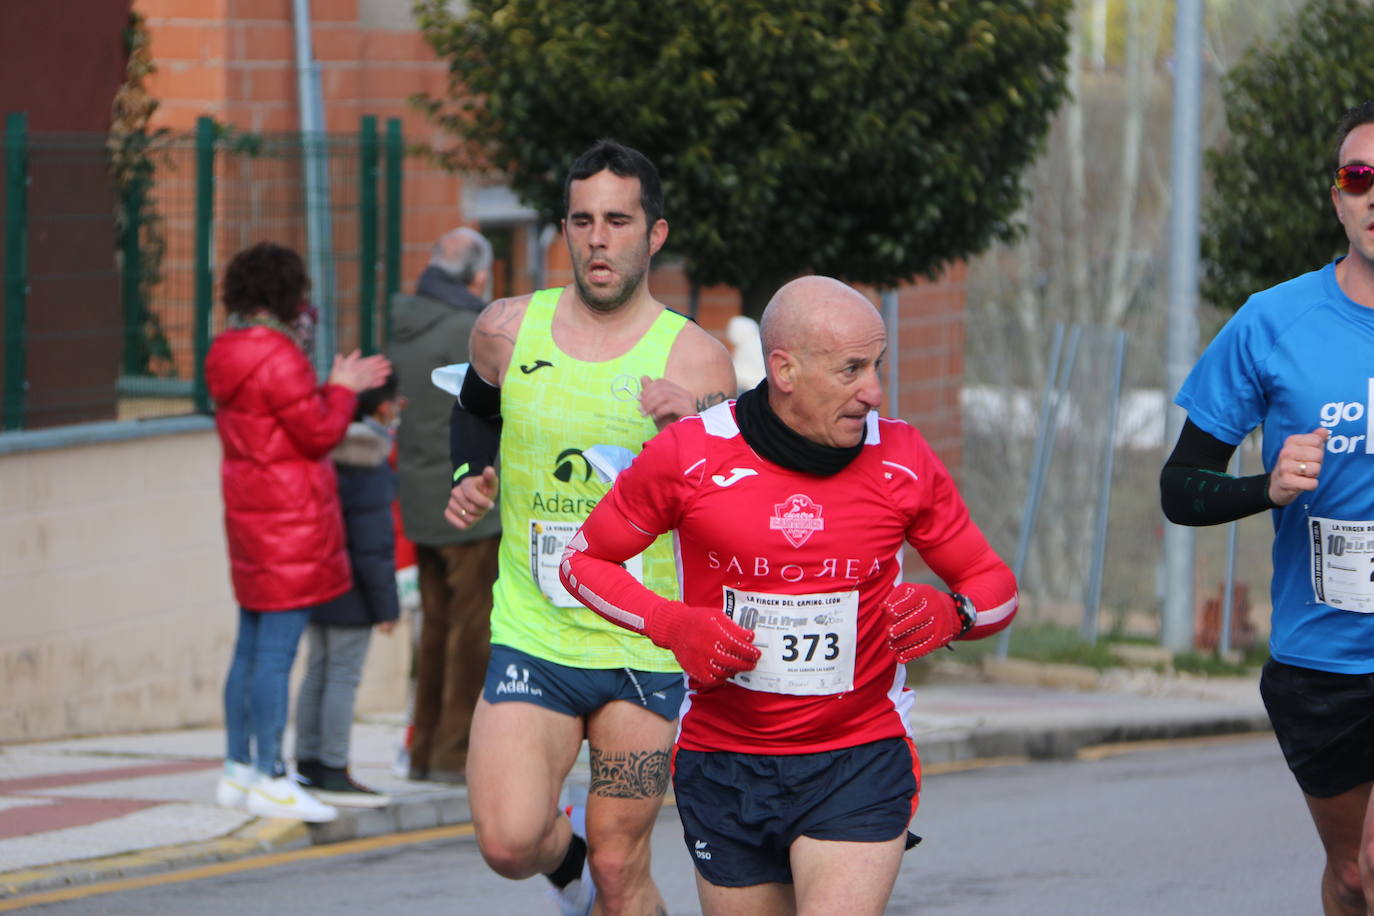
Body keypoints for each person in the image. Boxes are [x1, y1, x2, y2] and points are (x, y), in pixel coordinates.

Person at [559, 275, 1019, 916]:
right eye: (852, 369)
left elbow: (994, 585)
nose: (874, 391)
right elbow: (582, 562)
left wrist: (955, 611)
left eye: (877, 366)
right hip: (724, 761)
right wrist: (672, 624)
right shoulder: (691, 455)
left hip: (858, 754)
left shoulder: (903, 458)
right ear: (785, 370)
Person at [445, 139, 736, 915]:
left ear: (655, 233)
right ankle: (565, 868)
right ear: (563, 232)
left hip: (641, 647)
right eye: (582, 221)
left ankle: (598, 880)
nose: (598, 239)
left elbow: (732, 512)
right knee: (508, 841)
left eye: (617, 220)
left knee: (621, 863)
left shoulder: (700, 363)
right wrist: (467, 477)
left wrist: (696, 434)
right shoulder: (506, 330)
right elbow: (473, 411)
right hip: (535, 633)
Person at [1161, 101, 1374, 916]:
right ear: (1337, 198)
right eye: (1360, 177)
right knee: (1353, 876)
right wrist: (1268, 488)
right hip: (1320, 660)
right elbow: (1181, 488)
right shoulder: (1272, 323)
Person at [205, 241, 390, 823]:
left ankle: (238, 769)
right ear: (287, 294)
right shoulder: (279, 357)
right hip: (288, 522)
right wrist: (342, 388)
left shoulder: (225, 352)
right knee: (276, 655)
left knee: (250, 646)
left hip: (250, 518)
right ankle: (271, 776)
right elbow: (318, 433)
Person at [390, 227, 501, 783]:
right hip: (470, 500)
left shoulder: (401, 322)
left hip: (418, 496)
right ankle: (454, 751)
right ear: (478, 277)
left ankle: (423, 747)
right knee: (472, 630)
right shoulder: (470, 329)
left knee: (434, 629)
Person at [293, 372, 403, 808]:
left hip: (317, 580)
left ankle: (308, 763)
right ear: (380, 409)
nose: (399, 408)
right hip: (353, 589)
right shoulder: (370, 462)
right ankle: (334, 769)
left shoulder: (324, 454)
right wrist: (386, 606)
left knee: (316, 671)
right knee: (341, 676)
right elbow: (373, 545)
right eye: (395, 401)